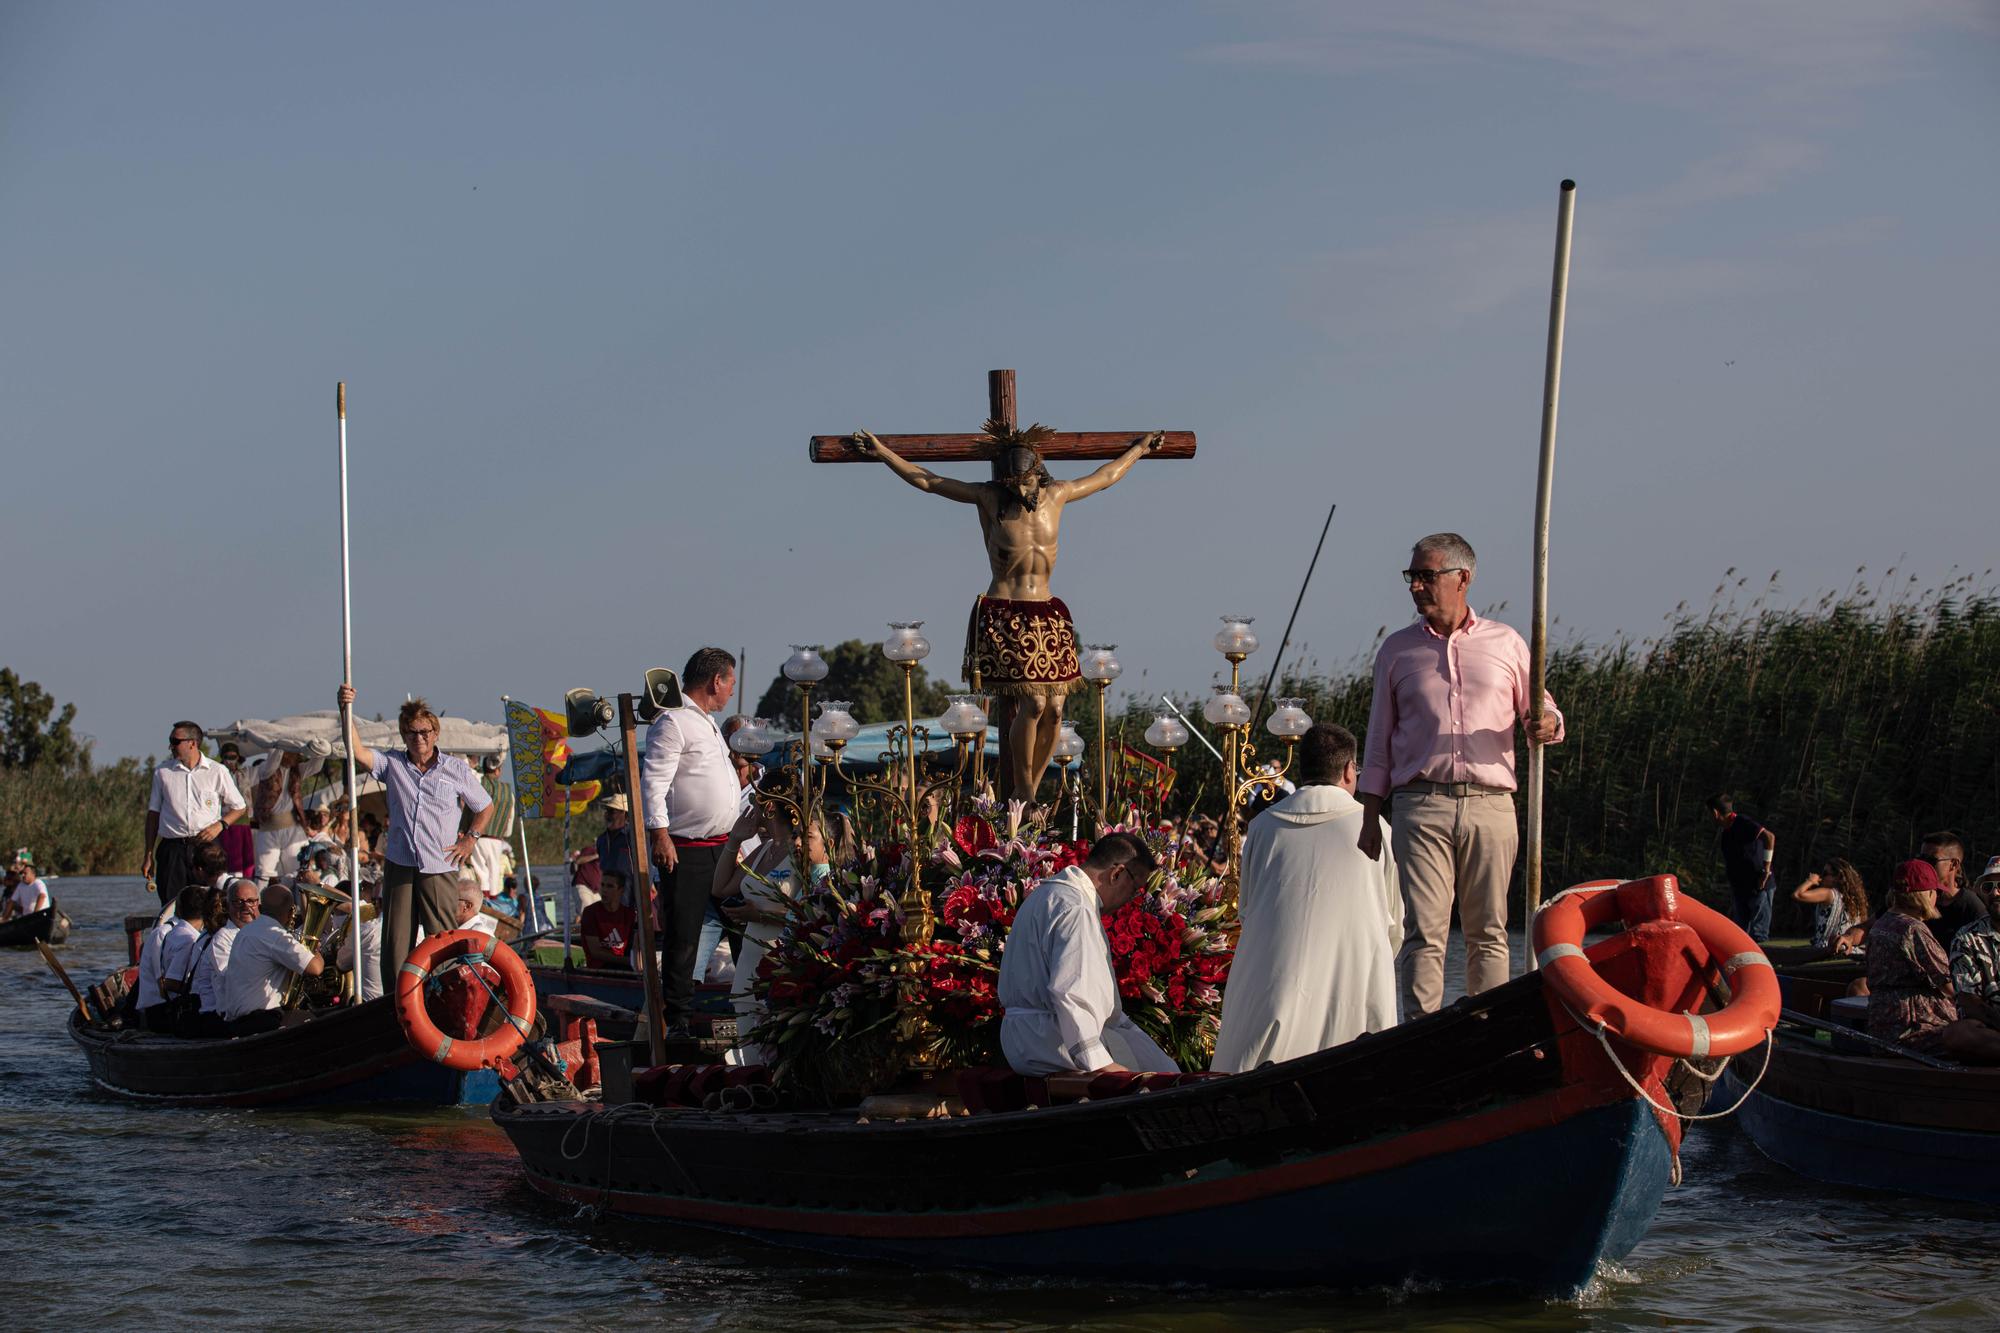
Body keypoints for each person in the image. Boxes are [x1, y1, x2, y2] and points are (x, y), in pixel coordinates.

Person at [851, 425, 1167, 803]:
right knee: (1033, 702)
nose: (1018, 488)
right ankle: (1026, 792)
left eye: (1024, 480)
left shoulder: (1058, 494)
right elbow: (930, 481)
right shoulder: (988, 498)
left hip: (1049, 611)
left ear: (1038, 471)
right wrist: (884, 452)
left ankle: (1031, 784)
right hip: (1005, 610)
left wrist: (1140, 450)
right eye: (1011, 481)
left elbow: (1105, 477)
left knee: (1055, 709)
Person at [1356, 533, 1563, 1016]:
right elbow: (1378, 740)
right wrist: (1369, 818)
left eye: (1426, 576)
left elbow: (1544, 708)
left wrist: (1547, 722)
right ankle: (1422, 1039)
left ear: (1462, 578)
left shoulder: (1507, 642)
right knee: (1424, 932)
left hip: (1491, 804)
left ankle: (1487, 1035)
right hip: (1420, 804)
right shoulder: (1396, 651)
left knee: (1488, 930)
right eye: (1413, 577)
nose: (1416, 587)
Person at [1214, 725, 1402, 1072]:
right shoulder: (1375, 830)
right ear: (1349, 769)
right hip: (1352, 987)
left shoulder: (1262, 828)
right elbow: (1393, 925)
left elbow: (1247, 912)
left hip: (1273, 991)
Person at [336, 684, 494, 976]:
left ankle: (444, 991)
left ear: (435, 734)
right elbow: (356, 751)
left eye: (424, 732)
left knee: (441, 935)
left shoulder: (455, 769)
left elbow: (485, 806)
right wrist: (346, 709)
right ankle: (395, 1001)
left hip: (439, 861)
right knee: (396, 937)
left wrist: (471, 839)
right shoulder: (392, 764)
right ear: (404, 735)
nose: (418, 738)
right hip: (400, 859)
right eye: (412, 733)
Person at [997, 831, 1179, 1076]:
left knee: (1164, 1070)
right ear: (1117, 874)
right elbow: (1070, 992)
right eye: (1135, 889)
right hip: (1053, 1042)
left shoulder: (1044, 894)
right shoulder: (1076, 907)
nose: (1131, 899)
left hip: (1024, 1038)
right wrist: (1101, 1065)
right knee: (1165, 1084)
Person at [641, 646, 740, 1035]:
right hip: (687, 848)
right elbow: (654, 782)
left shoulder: (706, 721)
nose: (731, 690)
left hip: (725, 847)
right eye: (730, 682)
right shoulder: (674, 721)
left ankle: (753, 1005)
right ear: (716, 681)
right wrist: (660, 835)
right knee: (684, 936)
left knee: (741, 926)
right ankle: (679, 1021)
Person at [716, 801, 828, 1065]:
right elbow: (720, 887)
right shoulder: (764, 848)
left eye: (756, 800)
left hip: (780, 965)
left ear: (769, 807)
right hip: (749, 962)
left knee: (778, 1060)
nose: (750, 807)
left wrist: (761, 915)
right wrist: (734, 840)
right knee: (751, 1058)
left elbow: (811, 914)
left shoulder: (803, 851)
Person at [142, 721, 247, 910]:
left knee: (212, 903)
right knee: (171, 905)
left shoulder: (217, 771)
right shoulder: (162, 772)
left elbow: (239, 807)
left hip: (206, 846)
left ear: (192, 743)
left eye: (175, 741)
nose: (171, 746)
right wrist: (148, 853)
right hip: (173, 849)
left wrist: (220, 825)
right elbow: (153, 814)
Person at [220, 883, 324, 1035]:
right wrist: (315, 950)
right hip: (260, 1020)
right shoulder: (274, 934)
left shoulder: (246, 931)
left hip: (237, 1021)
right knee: (315, 1021)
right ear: (291, 913)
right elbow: (315, 968)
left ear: (260, 909)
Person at [190, 878, 260, 1031]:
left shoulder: (262, 933)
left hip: (248, 1009)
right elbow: (234, 980)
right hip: (220, 1016)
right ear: (228, 906)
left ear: (258, 904)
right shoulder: (222, 939)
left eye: (251, 901)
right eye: (238, 902)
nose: (246, 907)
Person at [1706, 795, 1777, 944]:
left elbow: (1769, 837)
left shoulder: (1742, 822)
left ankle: (1765, 965)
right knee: (1740, 935)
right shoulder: (1727, 833)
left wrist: (1766, 869)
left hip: (1759, 885)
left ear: (1715, 813)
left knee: (1759, 934)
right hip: (1741, 889)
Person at [135, 885, 205, 1029]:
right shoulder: (186, 938)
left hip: (160, 1007)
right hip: (161, 1010)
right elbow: (165, 984)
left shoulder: (174, 932)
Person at [1918, 830, 1989, 950]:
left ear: (1954, 864)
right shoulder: (1915, 898)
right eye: (1921, 859)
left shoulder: (1971, 906)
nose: (1924, 866)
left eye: (1931, 861)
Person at [250, 750, 310, 884]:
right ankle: (259, 903)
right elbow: (274, 755)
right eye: (291, 752)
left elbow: (315, 766)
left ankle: (296, 902)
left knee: (298, 870)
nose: (296, 756)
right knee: (264, 872)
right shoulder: (267, 769)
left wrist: (322, 751)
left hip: (292, 829)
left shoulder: (297, 771)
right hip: (269, 829)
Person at [1791, 858, 1872, 956]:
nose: (1821, 876)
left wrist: (1811, 881)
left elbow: (1798, 894)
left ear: (1837, 877)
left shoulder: (1829, 894)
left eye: (1825, 873)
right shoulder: (1856, 900)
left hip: (1826, 949)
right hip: (1851, 950)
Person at [329, 877, 384, 1002]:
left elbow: (341, 964)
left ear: (379, 903)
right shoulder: (419, 930)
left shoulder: (364, 931)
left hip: (371, 1008)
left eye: (374, 901)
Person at [578, 870, 638, 969]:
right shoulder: (590, 913)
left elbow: (635, 945)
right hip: (600, 968)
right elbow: (596, 952)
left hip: (624, 965)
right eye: (602, 885)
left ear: (621, 890)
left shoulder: (629, 914)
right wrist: (629, 961)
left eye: (610, 886)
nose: (604, 890)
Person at [3, 853, 50, 918]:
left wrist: (35, 914)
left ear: (33, 874)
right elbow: (12, 901)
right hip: (27, 918)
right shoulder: (21, 885)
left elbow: (42, 896)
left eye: (25, 873)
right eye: (22, 873)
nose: (23, 875)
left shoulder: (38, 883)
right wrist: (4, 918)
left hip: (41, 916)